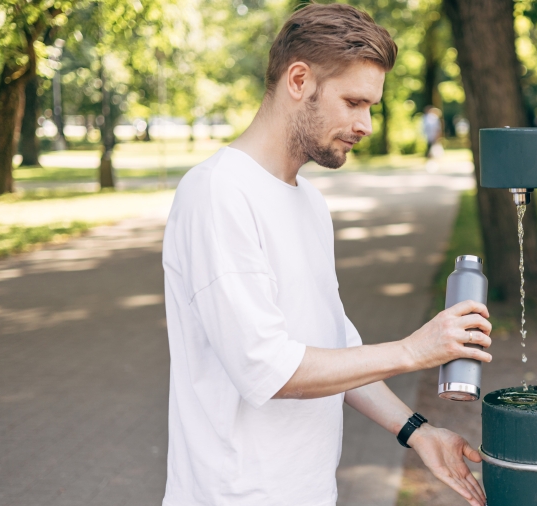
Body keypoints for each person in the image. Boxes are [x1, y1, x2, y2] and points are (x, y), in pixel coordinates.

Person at [160, 5, 491, 506]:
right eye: (354, 102)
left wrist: (416, 431)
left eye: (372, 106)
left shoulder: (308, 200)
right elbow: (269, 369)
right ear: (299, 79)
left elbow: (334, 344)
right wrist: (414, 350)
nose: (366, 124)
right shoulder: (218, 193)